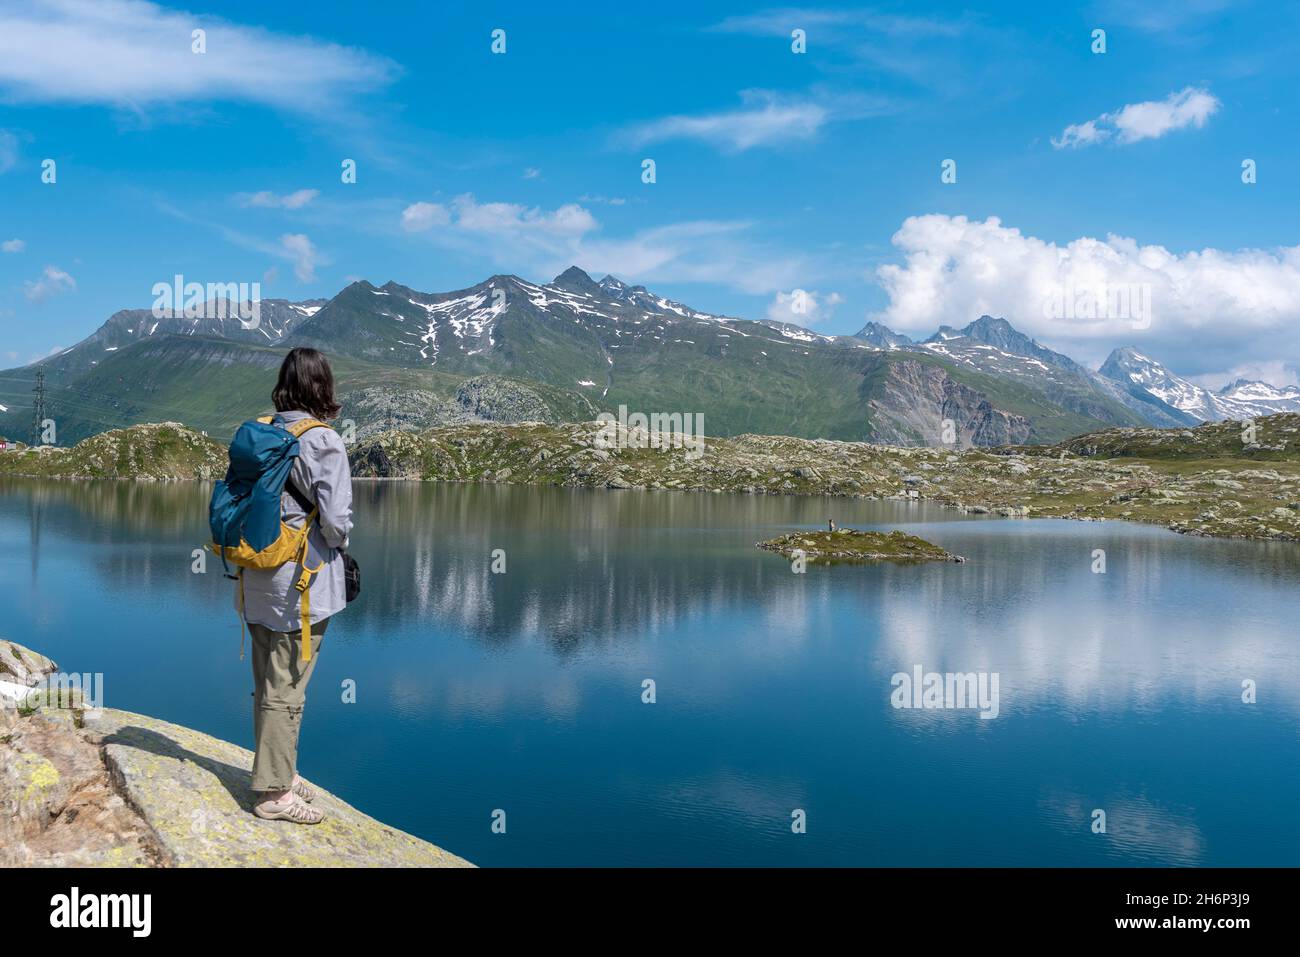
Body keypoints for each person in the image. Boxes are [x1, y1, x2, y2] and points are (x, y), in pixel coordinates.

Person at [238, 348, 353, 824]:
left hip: (254, 578)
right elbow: (338, 523)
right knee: (288, 687)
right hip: (299, 587)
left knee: (268, 681)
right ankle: (273, 796)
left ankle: (279, 771)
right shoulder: (324, 441)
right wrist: (337, 544)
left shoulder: (261, 430)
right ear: (322, 388)